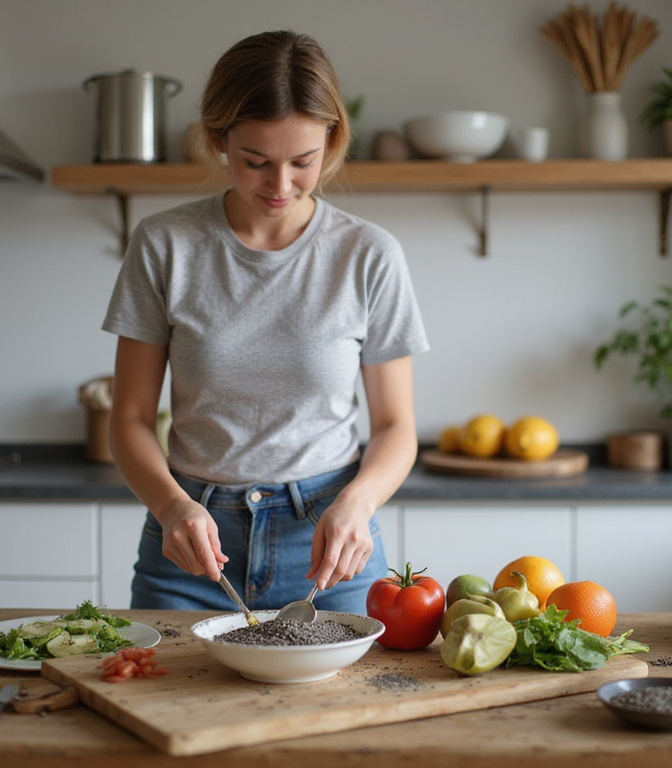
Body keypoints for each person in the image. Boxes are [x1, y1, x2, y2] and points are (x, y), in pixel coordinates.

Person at [102, 30, 428, 615]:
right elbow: (128, 419)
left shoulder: (369, 254)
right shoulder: (164, 245)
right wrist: (171, 507)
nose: (280, 187)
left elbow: (396, 426)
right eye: (255, 162)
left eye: (303, 162)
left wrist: (358, 504)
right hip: (190, 544)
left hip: (330, 550)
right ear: (217, 139)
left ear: (332, 140)